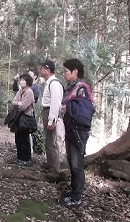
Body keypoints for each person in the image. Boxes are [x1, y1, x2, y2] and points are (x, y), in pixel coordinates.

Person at [58, 58, 93, 208]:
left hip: (79, 132)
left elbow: (86, 111)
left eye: (66, 71)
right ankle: (73, 192)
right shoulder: (70, 87)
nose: (64, 73)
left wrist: (67, 108)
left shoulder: (82, 87)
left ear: (75, 72)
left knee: (77, 164)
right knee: (71, 162)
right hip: (70, 130)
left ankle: (76, 197)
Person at [38, 60, 64, 173]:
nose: (40, 70)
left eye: (42, 68)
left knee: (51, 142)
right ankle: (50, 163)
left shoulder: (54, 84)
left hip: (50, 112)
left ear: (48, 70)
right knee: (48, 140)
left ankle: (54, 168)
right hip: (47, 111)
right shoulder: (49, 82)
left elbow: (55, 103)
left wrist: (51, 120)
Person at [11, 73, 35, 166]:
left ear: (28, 82)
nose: (21, 82)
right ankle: (19, 158)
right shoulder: (20, 91)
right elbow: (14, 102)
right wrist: (18, 103)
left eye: (23, 80)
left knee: (25, 139)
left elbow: (23, 106)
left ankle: (26, 160)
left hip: (26, 119)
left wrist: (18, 104)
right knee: (18, 139)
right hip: (18, 118)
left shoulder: (29, 92)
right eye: (20, 80)